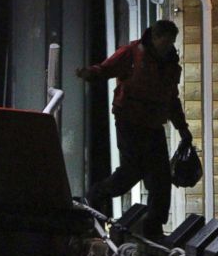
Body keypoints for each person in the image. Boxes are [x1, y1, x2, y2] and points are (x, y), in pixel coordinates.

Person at [75, 19, 192, 241]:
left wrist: (183, 129)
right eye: (165, 42)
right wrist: (89, 74)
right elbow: (106, 69)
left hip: (154, 124)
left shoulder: (170, 65)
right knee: (132, 171)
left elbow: (171, 99)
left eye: (171, 43)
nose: (168, 47)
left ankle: (153, 229)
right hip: (129, 121)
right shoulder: (131, 53)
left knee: (160, 179)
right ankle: (95, 196)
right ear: (155, 38)